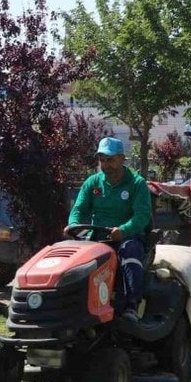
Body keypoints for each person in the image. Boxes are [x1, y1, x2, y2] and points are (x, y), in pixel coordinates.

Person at [65, 137, 152, 324]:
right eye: (102, 160)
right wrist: (73, 224)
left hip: (127, 237)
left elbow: (142, 216)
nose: (106, 165)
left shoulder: (137, 184)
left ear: (122, 159)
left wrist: (124, 229)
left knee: (129, 252)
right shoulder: (93, 182)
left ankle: (131, 305)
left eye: (110, 160)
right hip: (98, 237)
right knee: (74, 258)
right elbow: (79, 210)